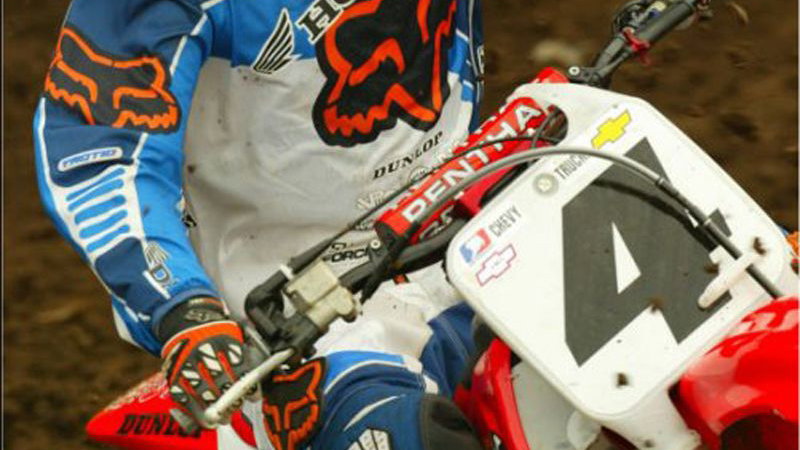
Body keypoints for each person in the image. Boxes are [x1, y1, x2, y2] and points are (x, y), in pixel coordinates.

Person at [34, 0, 486, 448]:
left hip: (471, 249)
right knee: (406, 437)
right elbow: (102, 159)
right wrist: (183, 305)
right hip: (297, 332)